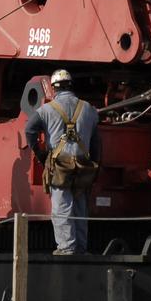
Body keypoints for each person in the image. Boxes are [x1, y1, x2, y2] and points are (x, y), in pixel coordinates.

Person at [24, 69, 100, 255]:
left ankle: (66, 248)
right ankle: (81, 248)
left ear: (53, 88)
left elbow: (29, 130)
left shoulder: (46, 110)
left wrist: (41, 154)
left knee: (62, 206)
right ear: (71, 85)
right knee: (80, 206)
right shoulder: (89, 109)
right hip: (83, 164)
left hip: (60, 166)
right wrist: (95, 164)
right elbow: (97, 141)